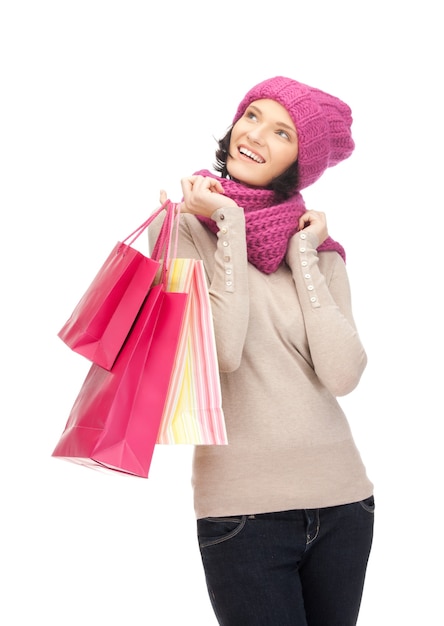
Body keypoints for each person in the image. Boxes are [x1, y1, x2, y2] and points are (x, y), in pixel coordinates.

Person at [149, 75, 374, 626]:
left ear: (300, 165)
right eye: (253, 116)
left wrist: (304, 255)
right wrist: (228, 225)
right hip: (243, 512)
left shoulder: (318, 251)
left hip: (345, 501)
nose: (256, 135)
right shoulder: (182, 227)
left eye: (283, 133)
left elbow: (344, 373)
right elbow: (219, 352)